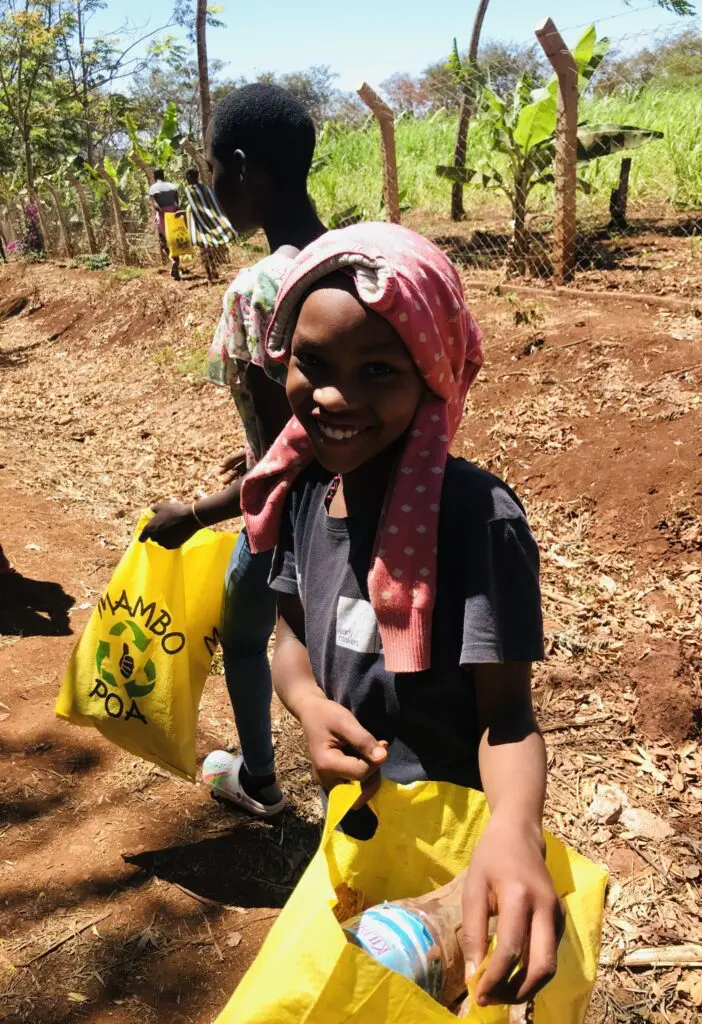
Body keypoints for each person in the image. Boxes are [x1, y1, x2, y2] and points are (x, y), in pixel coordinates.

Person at [240, 222, 563, 1009]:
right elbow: (291, 634)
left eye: (378, 370)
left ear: (432, 374)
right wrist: (308, 704)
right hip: (357, 837)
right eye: (313, 363)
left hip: (458, 860)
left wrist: (515, 832)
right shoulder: (307, 493)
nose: (333, 396)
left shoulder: (476, 519)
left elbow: (508, 719)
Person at [139, 84, 326, 818]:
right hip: (360, 508)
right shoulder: (350, 254)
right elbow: (309, 416)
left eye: (213, 168)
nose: (212, 183)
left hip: (287, 514)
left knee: (249, 640)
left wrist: (194, 514)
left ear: (244, 169)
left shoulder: (259, 287)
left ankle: (260, 780)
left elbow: (290, 450)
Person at [182, 166, 237, 283]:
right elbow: (211, 204)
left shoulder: (189, 190)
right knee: (209, 249)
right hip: (207, 221)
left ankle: (209, 275)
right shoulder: (206, 188)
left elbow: (194, 206)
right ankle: (214, 271)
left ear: (189, 177)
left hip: (199, 223)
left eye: (187, 176)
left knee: (203, 250)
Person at [148, 168, 181, 280]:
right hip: (174, 215)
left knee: (164, 243)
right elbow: (177, 203)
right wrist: (173, 212)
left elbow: (155, 205)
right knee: (175, 242)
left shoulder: (153, 188)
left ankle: (172, 261)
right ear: (163, 175)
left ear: (154, 176)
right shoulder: (173, 186)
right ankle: (177, 267)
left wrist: (163, 213)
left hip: (162, 217)